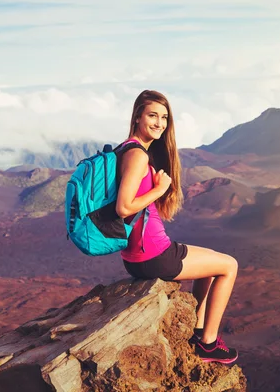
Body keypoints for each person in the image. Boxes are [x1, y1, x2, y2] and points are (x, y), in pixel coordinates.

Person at [115, 90, 239, 364]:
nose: (159, 123)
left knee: (210, 266)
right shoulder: (136, 156)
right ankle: (208, 343)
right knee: (229, 266)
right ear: (137, 117)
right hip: (152, 256)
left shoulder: (126, 149)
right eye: (152, 115)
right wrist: (160, 189)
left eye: (164, 117)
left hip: (140, 255)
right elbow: (124, 207)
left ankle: (197, 332)